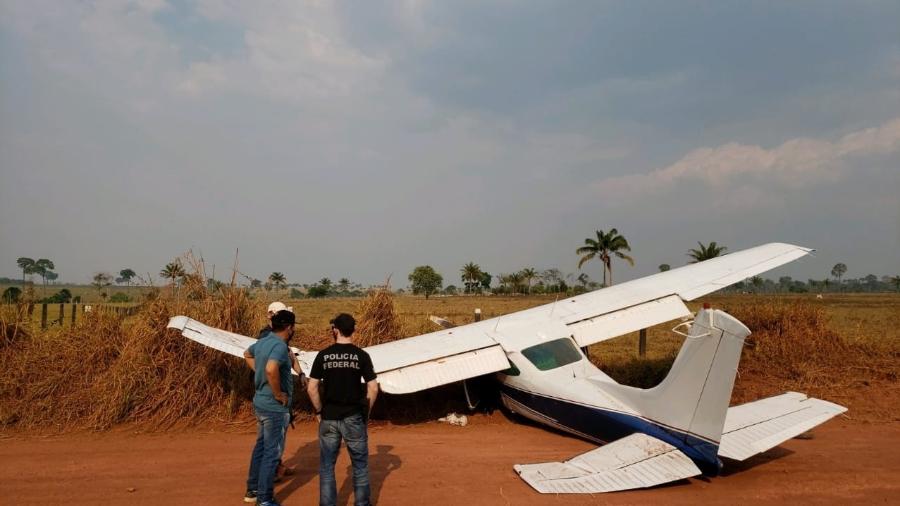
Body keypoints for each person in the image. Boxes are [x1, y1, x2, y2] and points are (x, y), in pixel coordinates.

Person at [307, 313, 379, 506]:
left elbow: (312, 388)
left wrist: (319, 412)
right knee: (360, 466)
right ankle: (362, 503)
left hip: (329, 417)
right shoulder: (362, 356)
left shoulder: (323, 355)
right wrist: (366, 413)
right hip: (354, 416)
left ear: (335, 330)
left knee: (327, 467)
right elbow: (373, 387)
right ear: (354, 331)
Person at [243, 310, 296, 506]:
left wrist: (259, 372)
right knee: (271, 453)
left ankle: (253, 490)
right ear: (289, 327)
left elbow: (247, 354)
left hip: (260, 403)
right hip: (274, 407)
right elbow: (271, 369)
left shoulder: (263, 341)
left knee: (261, 447)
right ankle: (265, 499)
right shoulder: (280, 347)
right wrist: (277, 393)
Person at [255, 301, 304, 488]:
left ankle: (275, 467)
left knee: (272, 439)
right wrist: (275, 391)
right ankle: (267, 484)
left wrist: (300, 374)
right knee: (271, 443)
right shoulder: (268, 337)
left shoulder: (276, 338)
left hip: (273, 397)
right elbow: (270, 367)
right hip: (272, 399)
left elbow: (290, 355)